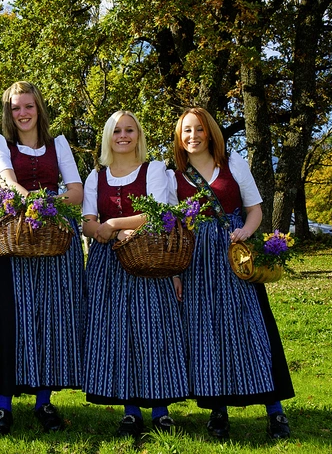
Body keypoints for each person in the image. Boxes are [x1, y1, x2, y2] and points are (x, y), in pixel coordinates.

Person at [169, 107, 294, 439]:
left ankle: (275, 411)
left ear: (209, 132)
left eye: (198, 130)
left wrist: (245, 232)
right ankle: (218, 413)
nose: (192, 136)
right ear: (179, 139)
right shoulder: (173, 176)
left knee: (253, 327)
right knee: (206, 333)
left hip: (233, 258)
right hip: (196, 264)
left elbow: (254, 210)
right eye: (186, 132)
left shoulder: (232, 163)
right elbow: (174, 228)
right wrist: (175, 274)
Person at [0, 81, 85, 438]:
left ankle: (44, 401)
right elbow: (7, 183)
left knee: (52, 321)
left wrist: (47, 208)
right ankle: (4, 405)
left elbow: (76, 191)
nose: (23, 113)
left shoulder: (58, 145)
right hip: (14, 246)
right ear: (9, 113)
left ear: (39, 108)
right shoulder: (1, 144)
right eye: (15, 108)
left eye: (28, 106)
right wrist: (36, 202)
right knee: (12, 321)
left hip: (55, 243)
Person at [81, 110, 189, 437]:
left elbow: (158, 213)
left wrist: (113, 223)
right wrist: (111, 232)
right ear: (108, 137)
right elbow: (87, 222)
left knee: (153, 332)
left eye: (130, 130)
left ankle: (160, 409)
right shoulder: (95, 177)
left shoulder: (153, 169)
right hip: (107, 264)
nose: (123, 136)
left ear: (138, 136)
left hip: (149, 260)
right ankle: (129, 410)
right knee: (116, 335)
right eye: (117, 131)